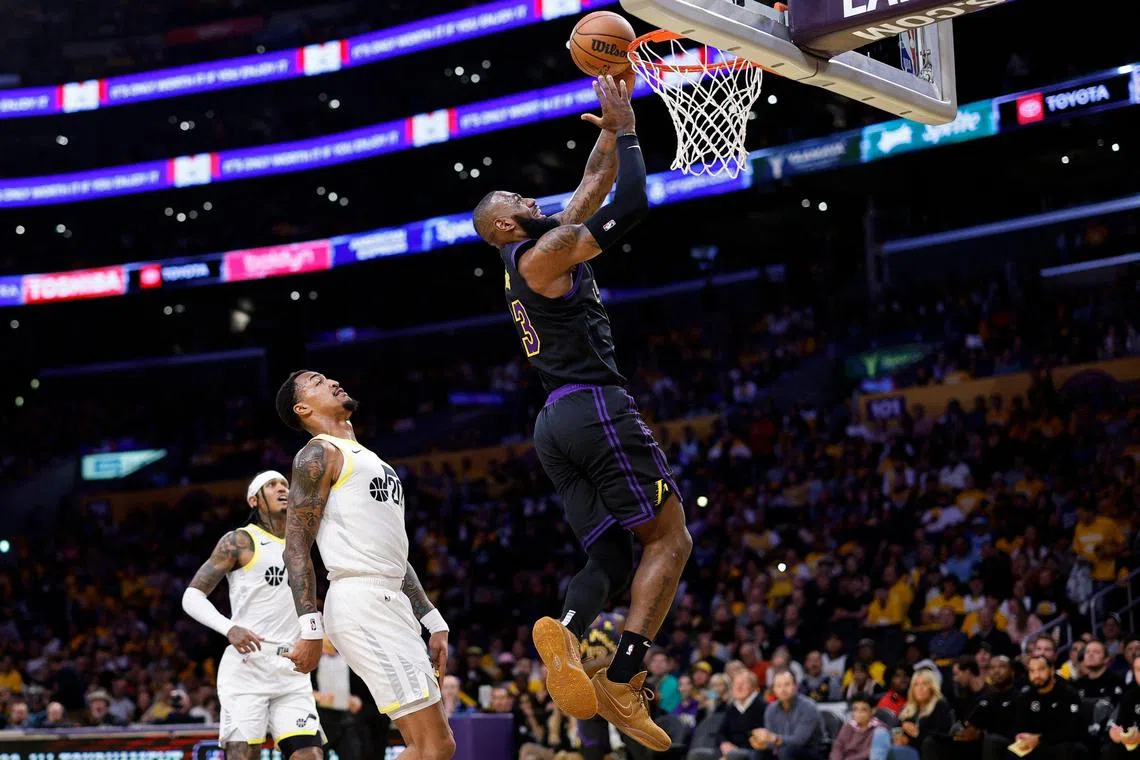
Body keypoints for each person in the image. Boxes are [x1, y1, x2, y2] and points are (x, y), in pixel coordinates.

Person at [472, 72, 690, 753]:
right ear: (504, 224)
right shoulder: (543, 254)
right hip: (595, 406)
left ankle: (567, 633)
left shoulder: (534, 251)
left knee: (610, 554)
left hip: (553, 426)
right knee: (670, 537)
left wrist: (609, 124)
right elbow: (629, 206)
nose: (530, 197)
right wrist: (627, 134)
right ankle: (624, 678)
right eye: (517, 198)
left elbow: (591, 188)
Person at [274, 372, 456, 760]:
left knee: (427, 747)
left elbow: (393, 554)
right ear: (302, 408)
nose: (331, 381)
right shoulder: (317, 454)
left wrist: (433, 619)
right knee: (436, 745)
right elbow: (295, 548)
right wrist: (310, 628)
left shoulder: (369, 458)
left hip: (389, 597)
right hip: (361, 600)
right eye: (317, 381)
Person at [181, 470, 324, 760]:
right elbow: (191, 596)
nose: (282, 488)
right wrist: (229, 628)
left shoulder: (302, 544)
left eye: (285, 484)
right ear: (253, 499)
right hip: (248, 667)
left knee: (310, 755)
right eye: (272, 485)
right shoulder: (240, 541)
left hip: (290, 667)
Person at [1009, 654, 1087, 760]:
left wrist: (1040, 739)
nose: (1036, 675)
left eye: (1041, 669)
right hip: (1032, 744)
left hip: (1058, 744)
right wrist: (1020, 736)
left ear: (1051, 670)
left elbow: (1073, 728)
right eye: (1032, 671)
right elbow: (1019, 724)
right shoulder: (1025, 696)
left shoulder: (1067, 693)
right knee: (1013, 752)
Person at [869, 669, 954, 760]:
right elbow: (896, 728)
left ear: (932, 687)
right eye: (916, 685)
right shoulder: (908, 707)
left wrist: (916, 735)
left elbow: (941, 736)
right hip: (906, 750)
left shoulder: (940, 705)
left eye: (924, 684)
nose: (920, 688)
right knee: (880, 734)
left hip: (927, 752)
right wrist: (899, 735)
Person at [753, 670, 825, 759]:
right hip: (782, 750)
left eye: (787, 684)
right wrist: (762, 743)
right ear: (774, 689)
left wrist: (774, 739)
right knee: (758, 753)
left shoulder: (809, 707)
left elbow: (799, 740)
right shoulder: (771, 709)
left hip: (810, 751)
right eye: (778, 686)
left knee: (786, 751)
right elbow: (771, 739)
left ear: (796, 686)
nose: (783, 689)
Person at [716, 671, 767, 759]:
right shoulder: (732, 707)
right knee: (700, 754)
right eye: (735, 684)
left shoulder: (763, 706)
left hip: (754, 752)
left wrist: (735, 750)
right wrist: (724, 743)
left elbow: (763, 737)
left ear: (753, 686)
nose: (738, 687)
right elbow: (721, 732)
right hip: (732, 751)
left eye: (743, 683)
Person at [1106, 655, 1140, 759]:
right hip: (1134, 745)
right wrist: (1116, 734)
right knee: (1112, 748)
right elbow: (1122, 725)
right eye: (1138, 670)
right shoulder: (1131, 695)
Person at [829, 694, 883, 760]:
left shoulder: (880, 730)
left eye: (863, 710)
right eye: (855, 709)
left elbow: (871, 753)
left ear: (873, 711)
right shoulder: (848, 726)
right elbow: (838, 746)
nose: (858, 713)